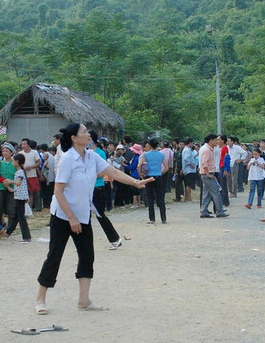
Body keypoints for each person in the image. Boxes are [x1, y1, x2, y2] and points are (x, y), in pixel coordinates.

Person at [34, 123, 152, 315]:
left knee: (87, 256)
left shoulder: (91, 156)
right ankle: (40, 299)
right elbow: (58, 191)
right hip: (63, 215)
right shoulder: (67, 159)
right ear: (74, 137)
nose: (88, 134)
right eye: (84, 132)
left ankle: (84, 300)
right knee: (54, 256)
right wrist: (71, 218)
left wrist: (135, 182)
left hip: (82, 215)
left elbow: (112, 172)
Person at [89, 130, 126, 249]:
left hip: (97, 187)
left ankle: (115, 239)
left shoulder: (99, 153)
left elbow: (102, 172)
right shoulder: (86, 153)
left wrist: (88, 176)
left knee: (100, 215)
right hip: (87, 188)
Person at [3, 153, 32, 242]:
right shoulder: (20, 171)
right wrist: (11, 188)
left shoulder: (19, 172)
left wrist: (10, 181)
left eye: (13, 160)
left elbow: (18, 183)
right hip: (19, 195)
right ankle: (8, 232)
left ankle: (26, 236)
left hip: (20, 197)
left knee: (20, 216)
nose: (12, 162)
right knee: (16, 215)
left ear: (17, 161)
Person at [198, 134, 227, 219]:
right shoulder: (207, 150)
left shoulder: (208, 149)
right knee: (216, 193)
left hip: (206, 174)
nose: (216, 142)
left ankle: (203, 211)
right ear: (211, 140)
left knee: (207, 194)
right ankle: (220, 211)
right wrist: (207, 174)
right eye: (215, 140)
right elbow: (204, 163)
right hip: (207, 174)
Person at [142, 138, 168, 224]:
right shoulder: (161, 155)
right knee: (160, 198)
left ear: (149, 145)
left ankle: (152, 219)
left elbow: (139, 165)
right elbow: (166, 167)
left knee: (150, 198)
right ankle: (163, 218)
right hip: (158, 177)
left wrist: (141, 175)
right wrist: (160, 172)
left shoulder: (145, 154)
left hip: (149, 177)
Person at [181, 138, 198, 203]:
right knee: (189, 185)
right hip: (189, 170)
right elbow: (186, 159)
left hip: (187, 170)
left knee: (187, 184)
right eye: (192, 143)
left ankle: (186, 198)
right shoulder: (187, 150)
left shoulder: (187, 150)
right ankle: (188, 198)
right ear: (190, 143)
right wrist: (191, 164)